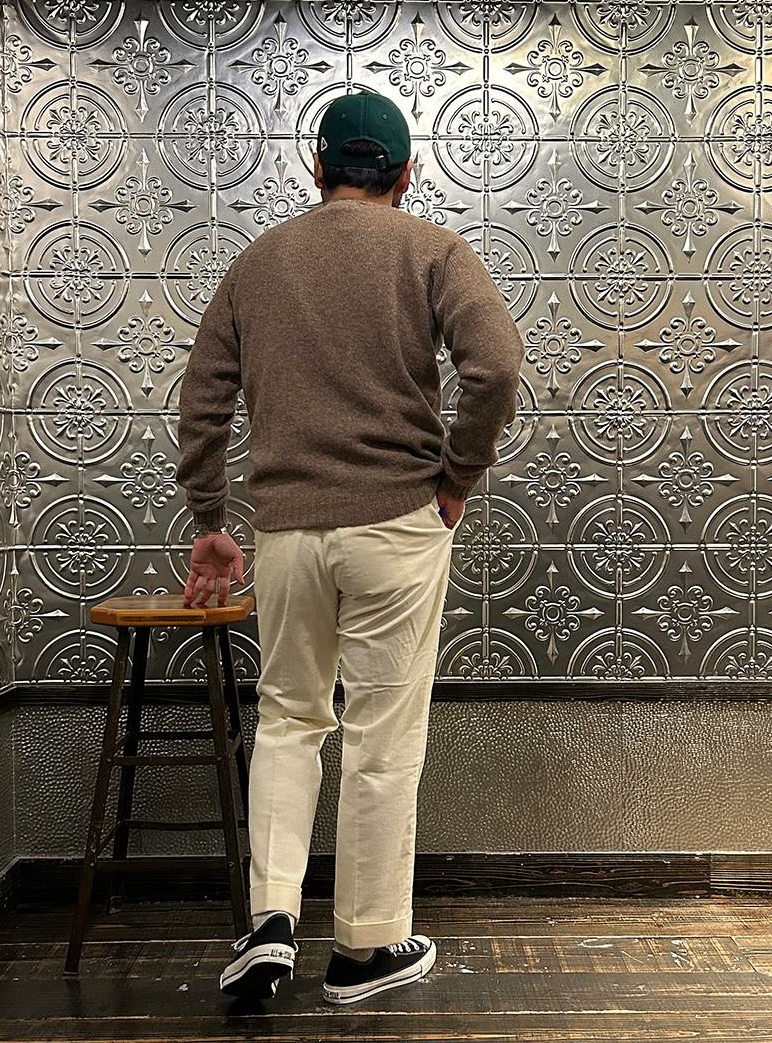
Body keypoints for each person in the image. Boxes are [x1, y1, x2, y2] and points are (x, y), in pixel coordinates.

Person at [175, 89, 524, 1005]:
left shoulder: (258, 261)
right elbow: (496, 367)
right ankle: (365, 950)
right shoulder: (434, 250)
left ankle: (270, 923)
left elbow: (203, 396)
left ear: (316, 167)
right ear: (407, 175)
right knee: (381, 736)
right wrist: (458, 478)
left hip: (287, 530)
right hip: (399, 524)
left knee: (289, 718)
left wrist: (212, 519)